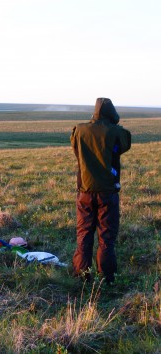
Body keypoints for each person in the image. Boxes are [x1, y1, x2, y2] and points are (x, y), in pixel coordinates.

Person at [70, 98, 131, 285]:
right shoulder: (115, 131)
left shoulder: (79, 130)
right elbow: (126, 142)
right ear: (111, 113)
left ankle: (82, 275)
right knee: (106, 237)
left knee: (84, 234)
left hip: (85, 191)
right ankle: (106, 278)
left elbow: (75, 148)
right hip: (107, 192)